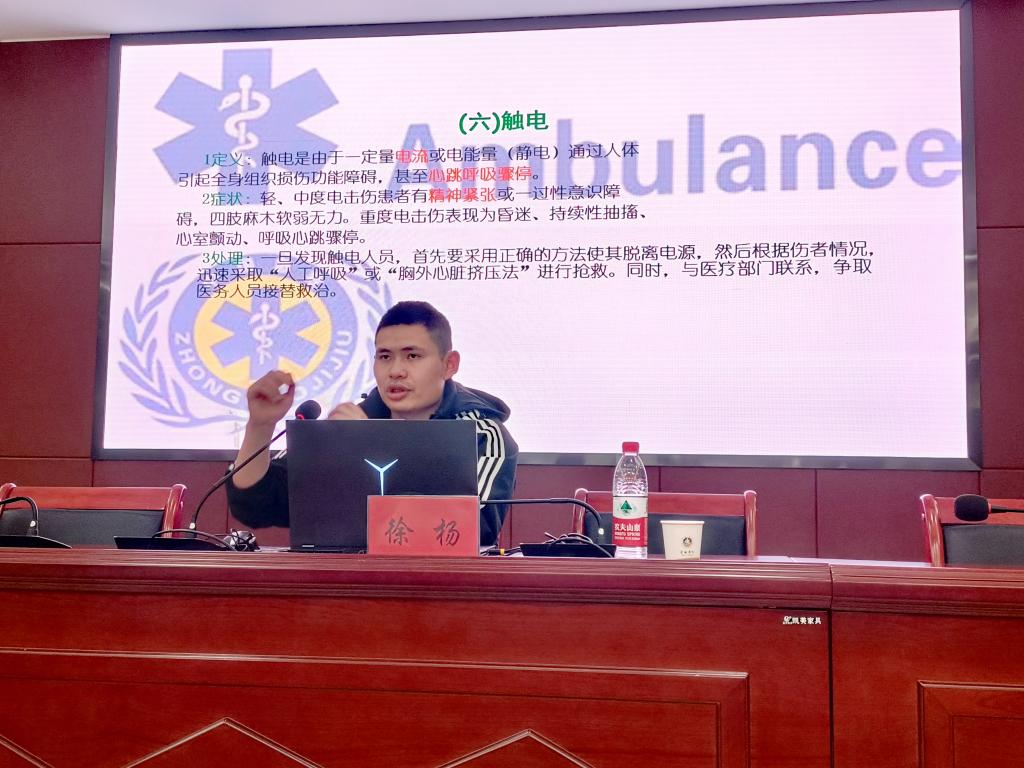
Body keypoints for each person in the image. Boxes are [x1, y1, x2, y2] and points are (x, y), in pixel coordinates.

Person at [226, 300, 518, 546]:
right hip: (340, 587)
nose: (396, 371)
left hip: (439, 589)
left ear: (449, 364)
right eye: (385, 356)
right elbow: (256, 505)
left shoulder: (481, 434)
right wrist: (260, 426)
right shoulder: (349, 423)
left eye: (413, 356)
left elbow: (474, 529)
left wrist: (368, 445)